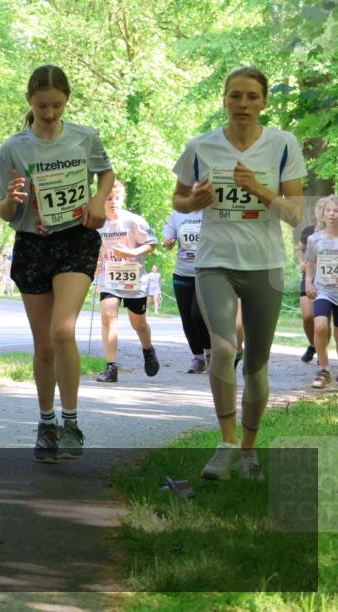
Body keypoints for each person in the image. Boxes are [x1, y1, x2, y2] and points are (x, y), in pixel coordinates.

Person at [172, 66, 306, 480]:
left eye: (251, 96)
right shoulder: (201, 146)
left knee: (257, 366)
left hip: (264, 265)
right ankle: (226, 444)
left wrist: (262, 191)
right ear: (224, 99)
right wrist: (195, 201)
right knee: (224, 349)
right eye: (235, 96)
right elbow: (177, 201)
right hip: (214, 262)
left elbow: (295, 214)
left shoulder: (283, 145)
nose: (243, 104)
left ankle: (249, 450)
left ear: (264, 102)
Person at [0, 64, 114, 463]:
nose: (49, 113)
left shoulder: (84, 137)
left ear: (67, 102)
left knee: (64, 330)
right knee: (44, 344)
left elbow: (107, 174)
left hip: (75, 239)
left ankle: (72, 422)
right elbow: (6, 213)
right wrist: (13, 198)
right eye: (42, 106)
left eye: (57, 106)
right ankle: (46, 424)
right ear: (29, 100)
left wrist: (98, 201)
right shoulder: (13, 148)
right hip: (33, 244)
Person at [95, 181, 160, 382]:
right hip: (110, 278)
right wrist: (96, 261)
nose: (113, 202)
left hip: (133, 279)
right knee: (108, 315)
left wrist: (131, 252)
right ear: (102, 200)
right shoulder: (97, 223)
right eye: (108, 198)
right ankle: (111, 367)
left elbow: (152, 242)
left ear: (121, 199)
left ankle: (148, 350)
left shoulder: (133, 220)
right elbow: (94, 248)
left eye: (116, 198)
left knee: (138, 324)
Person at [162, 210, 211, 373]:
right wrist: (168, 243)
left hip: (206, 272)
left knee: (197, 314)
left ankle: (210, 354)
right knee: (186, 318)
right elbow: (168, 241)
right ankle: (198, 358)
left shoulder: (210, 212)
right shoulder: (177, 215)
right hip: (182, 272)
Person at [305, 195, 338, 388]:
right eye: (329, 210)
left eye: (336, 211)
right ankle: (323, 370)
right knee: (320, 327)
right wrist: (309, 283)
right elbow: (311, 264)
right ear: (323, 214)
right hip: (323, 290)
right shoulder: (314, 239)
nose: (332, 214)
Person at [297, 198, 328, 363]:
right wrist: (301, 262)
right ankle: (314, 345)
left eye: (325, 208)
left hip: (329, 279)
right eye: (319, 208)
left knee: (323, 319)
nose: (321, 211)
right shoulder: (308, 230)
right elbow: (300, 249)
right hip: (309, 276)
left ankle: (323, 353)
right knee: (308, 317)